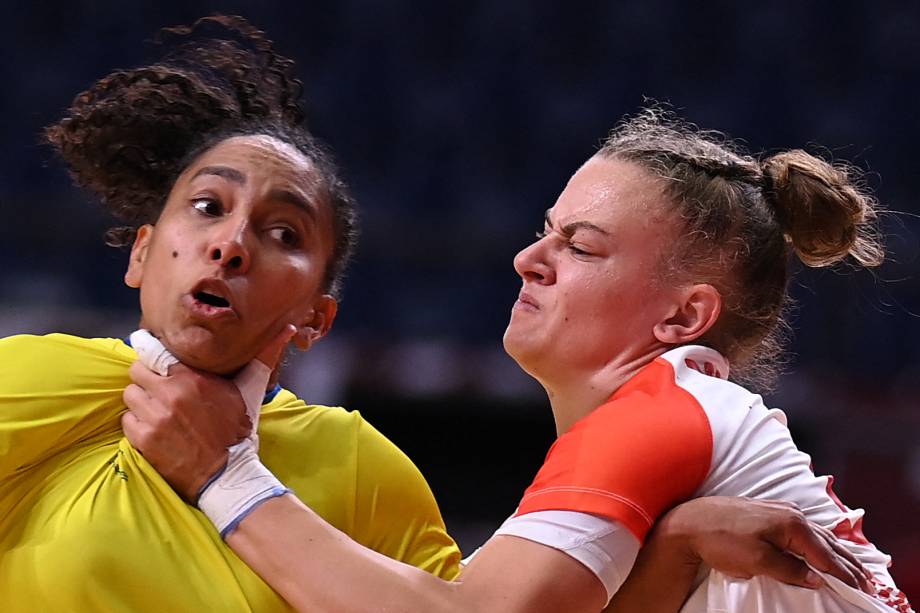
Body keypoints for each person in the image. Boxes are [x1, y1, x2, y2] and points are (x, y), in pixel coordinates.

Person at [124, 105, 915, 611]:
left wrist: (224, 475)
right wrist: (672, 551)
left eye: (580, 246)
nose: (529, 258)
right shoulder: (688, 430)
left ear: (685, 316)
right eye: (546, 229)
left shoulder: (668, 412)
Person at [0, 16, 462, 611]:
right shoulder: (30, 376)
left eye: (284, 233)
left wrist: (232, 478)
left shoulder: (357, 465)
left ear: (318, 318)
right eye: (206, 205)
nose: (231, 243)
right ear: (142, 253)